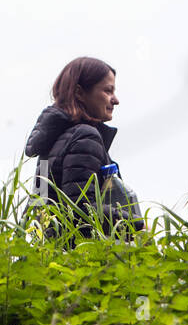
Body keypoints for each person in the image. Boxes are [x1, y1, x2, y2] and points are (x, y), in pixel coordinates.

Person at [23, 56, 144, 240]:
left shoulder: (52, 142)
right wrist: (136, 224)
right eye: (107, 91)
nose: (116, 100)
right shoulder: (85, 136)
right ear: (79, 92)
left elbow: (42, 207)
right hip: (80, 258)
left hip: (52, 254)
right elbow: (82, 211)